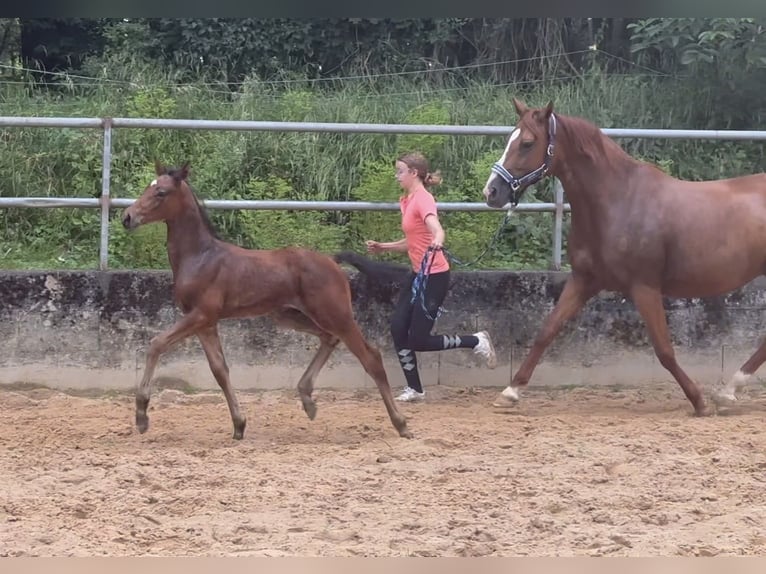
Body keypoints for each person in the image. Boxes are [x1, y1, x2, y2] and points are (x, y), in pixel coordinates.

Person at [364, 151, 497, 402]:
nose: (397, 176)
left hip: (434, 276)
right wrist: (384, 247)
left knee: (419, 340)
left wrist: (438, 240)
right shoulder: (408, 200)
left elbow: (435, 228)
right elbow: (413, 240)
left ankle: (475, 340)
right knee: (397, 329)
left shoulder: (423, 199)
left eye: (400, 171)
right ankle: (415, 389)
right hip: (418, 274)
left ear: (414, 173)